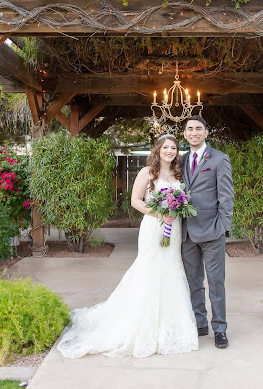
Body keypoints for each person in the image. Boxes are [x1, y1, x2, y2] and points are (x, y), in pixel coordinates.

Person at [57, 134, 199, 359]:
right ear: (158, 150)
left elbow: (183, 199)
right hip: (154, 228)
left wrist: (177, 209)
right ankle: (141, 326)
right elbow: (136, 201)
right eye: (166, 147)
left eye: (173, 148)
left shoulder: (178, 173)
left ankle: (170, 329)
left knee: (171, 269)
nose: (170, 151)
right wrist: (161, 212)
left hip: (174, 230)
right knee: (149, 270)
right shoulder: (147, 172)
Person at [180, 115, 234, 349]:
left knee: (216, 282)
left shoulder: (220, 159)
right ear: (184, 134)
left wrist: (223, 227)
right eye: (190, 129)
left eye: (198, 129)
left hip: (212, 231)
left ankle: (219, 328)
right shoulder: (180, 160)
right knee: (194, 282)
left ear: (206, 133)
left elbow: (226, 196)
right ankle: (200, 322)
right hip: (186, 233)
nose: (194, 132)